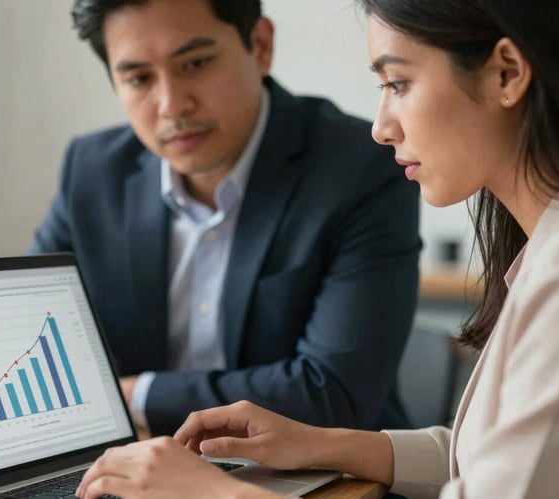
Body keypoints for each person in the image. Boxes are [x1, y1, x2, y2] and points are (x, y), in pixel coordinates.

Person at [73, 0, 559, 497]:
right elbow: (496, 458)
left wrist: (215, 492)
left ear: (507, 73)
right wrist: (320, 444)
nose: (381, 127)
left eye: (397, 83)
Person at [26, 0, 421, 436]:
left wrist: (136, 396)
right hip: (147, 463)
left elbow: (332, 394)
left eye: (195, 63)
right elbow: (26, 337)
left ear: (260, 46)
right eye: (139, 78)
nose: (172, 105)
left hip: (322, 477)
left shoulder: (360, 170)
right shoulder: (92, 172)